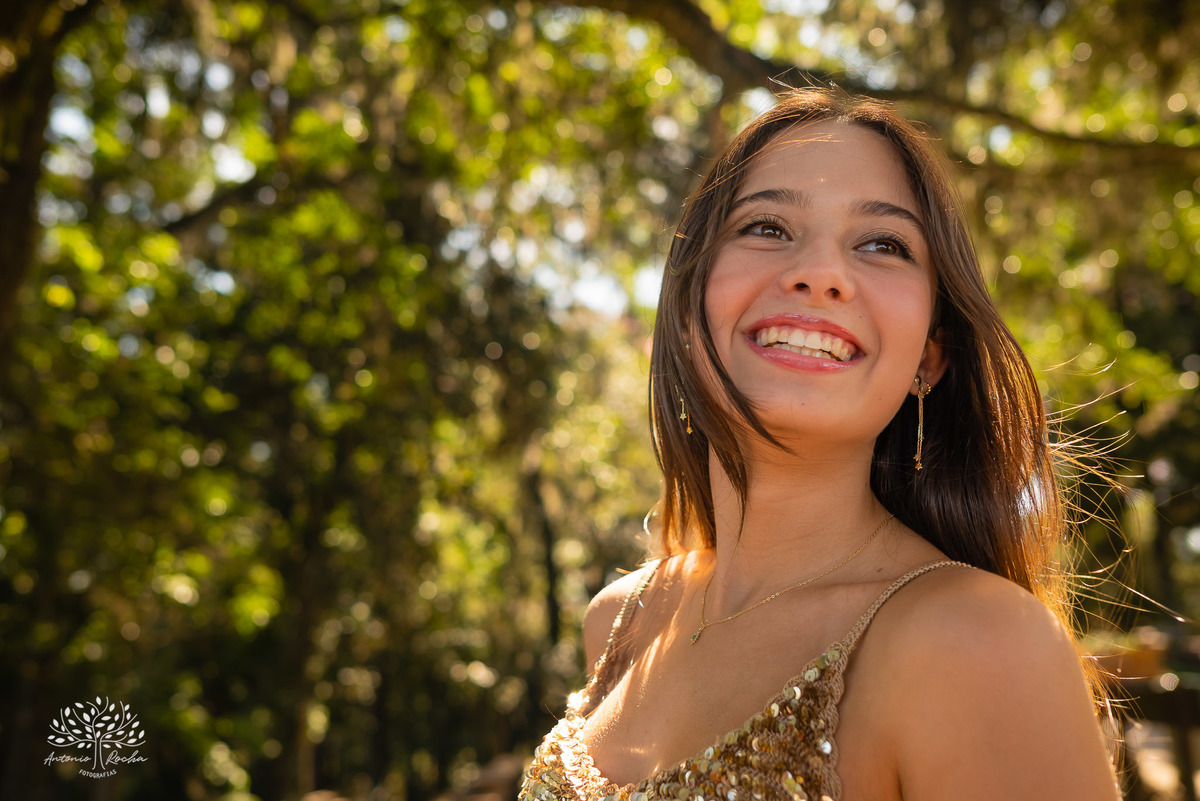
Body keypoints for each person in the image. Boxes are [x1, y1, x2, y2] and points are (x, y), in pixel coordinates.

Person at [519, 88, 1120, 801]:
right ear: (685, 310)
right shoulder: (620, 622)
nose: (820, 274)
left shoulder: (978, 641)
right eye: (767, 227)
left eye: (883, 244)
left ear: (929, 357)